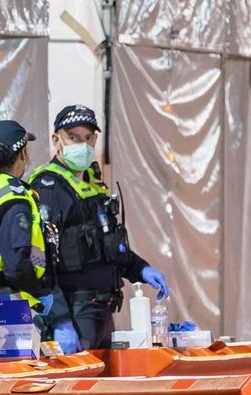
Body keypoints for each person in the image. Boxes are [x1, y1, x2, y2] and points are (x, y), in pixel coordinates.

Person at [30, 104, 168, 350]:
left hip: (102, 308)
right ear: (56, 139)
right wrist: (60, 319)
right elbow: (41, 263)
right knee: (76, 385)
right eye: (73, 137)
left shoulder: (94, 186)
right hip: (74, 309)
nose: (82, 145)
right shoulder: (49, 188)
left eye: (87, 138)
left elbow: (109, 246)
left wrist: (141, 269)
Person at [0, 120, 71, 351]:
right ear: (23, 153)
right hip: (8, 310)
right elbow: (16, 264)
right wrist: (41, 293)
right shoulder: (12, 197)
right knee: (17, 382)